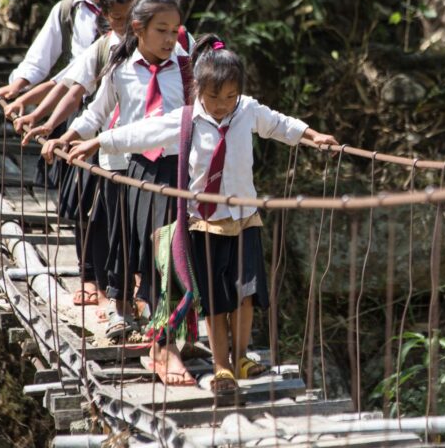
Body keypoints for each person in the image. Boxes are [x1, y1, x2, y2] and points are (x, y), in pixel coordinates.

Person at [68, 34, 339, 392]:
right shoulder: (186, 120)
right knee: (214, 298)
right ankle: (222, 364)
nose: (223, 105)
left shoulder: (248, 111)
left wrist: (314, 136)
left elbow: (280, 125)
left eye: (230, 96)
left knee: (246, 295)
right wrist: (97, 142)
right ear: (198, 90)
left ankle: (241, 358)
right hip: (203, 224)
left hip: (244, 219)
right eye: (214, 97)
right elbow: (142, 133)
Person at [42, 0, 194, 351]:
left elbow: (192, 119)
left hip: (171, 170)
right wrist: (64, 136)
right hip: (127, 166)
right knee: (123, 239)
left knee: (165, 247)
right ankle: (121, 308)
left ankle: (166, 328)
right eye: (162, 31)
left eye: (175, 31)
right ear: (137, 29)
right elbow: (96, 112)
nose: (170, 39)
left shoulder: (187, 70)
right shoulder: (120, 69)